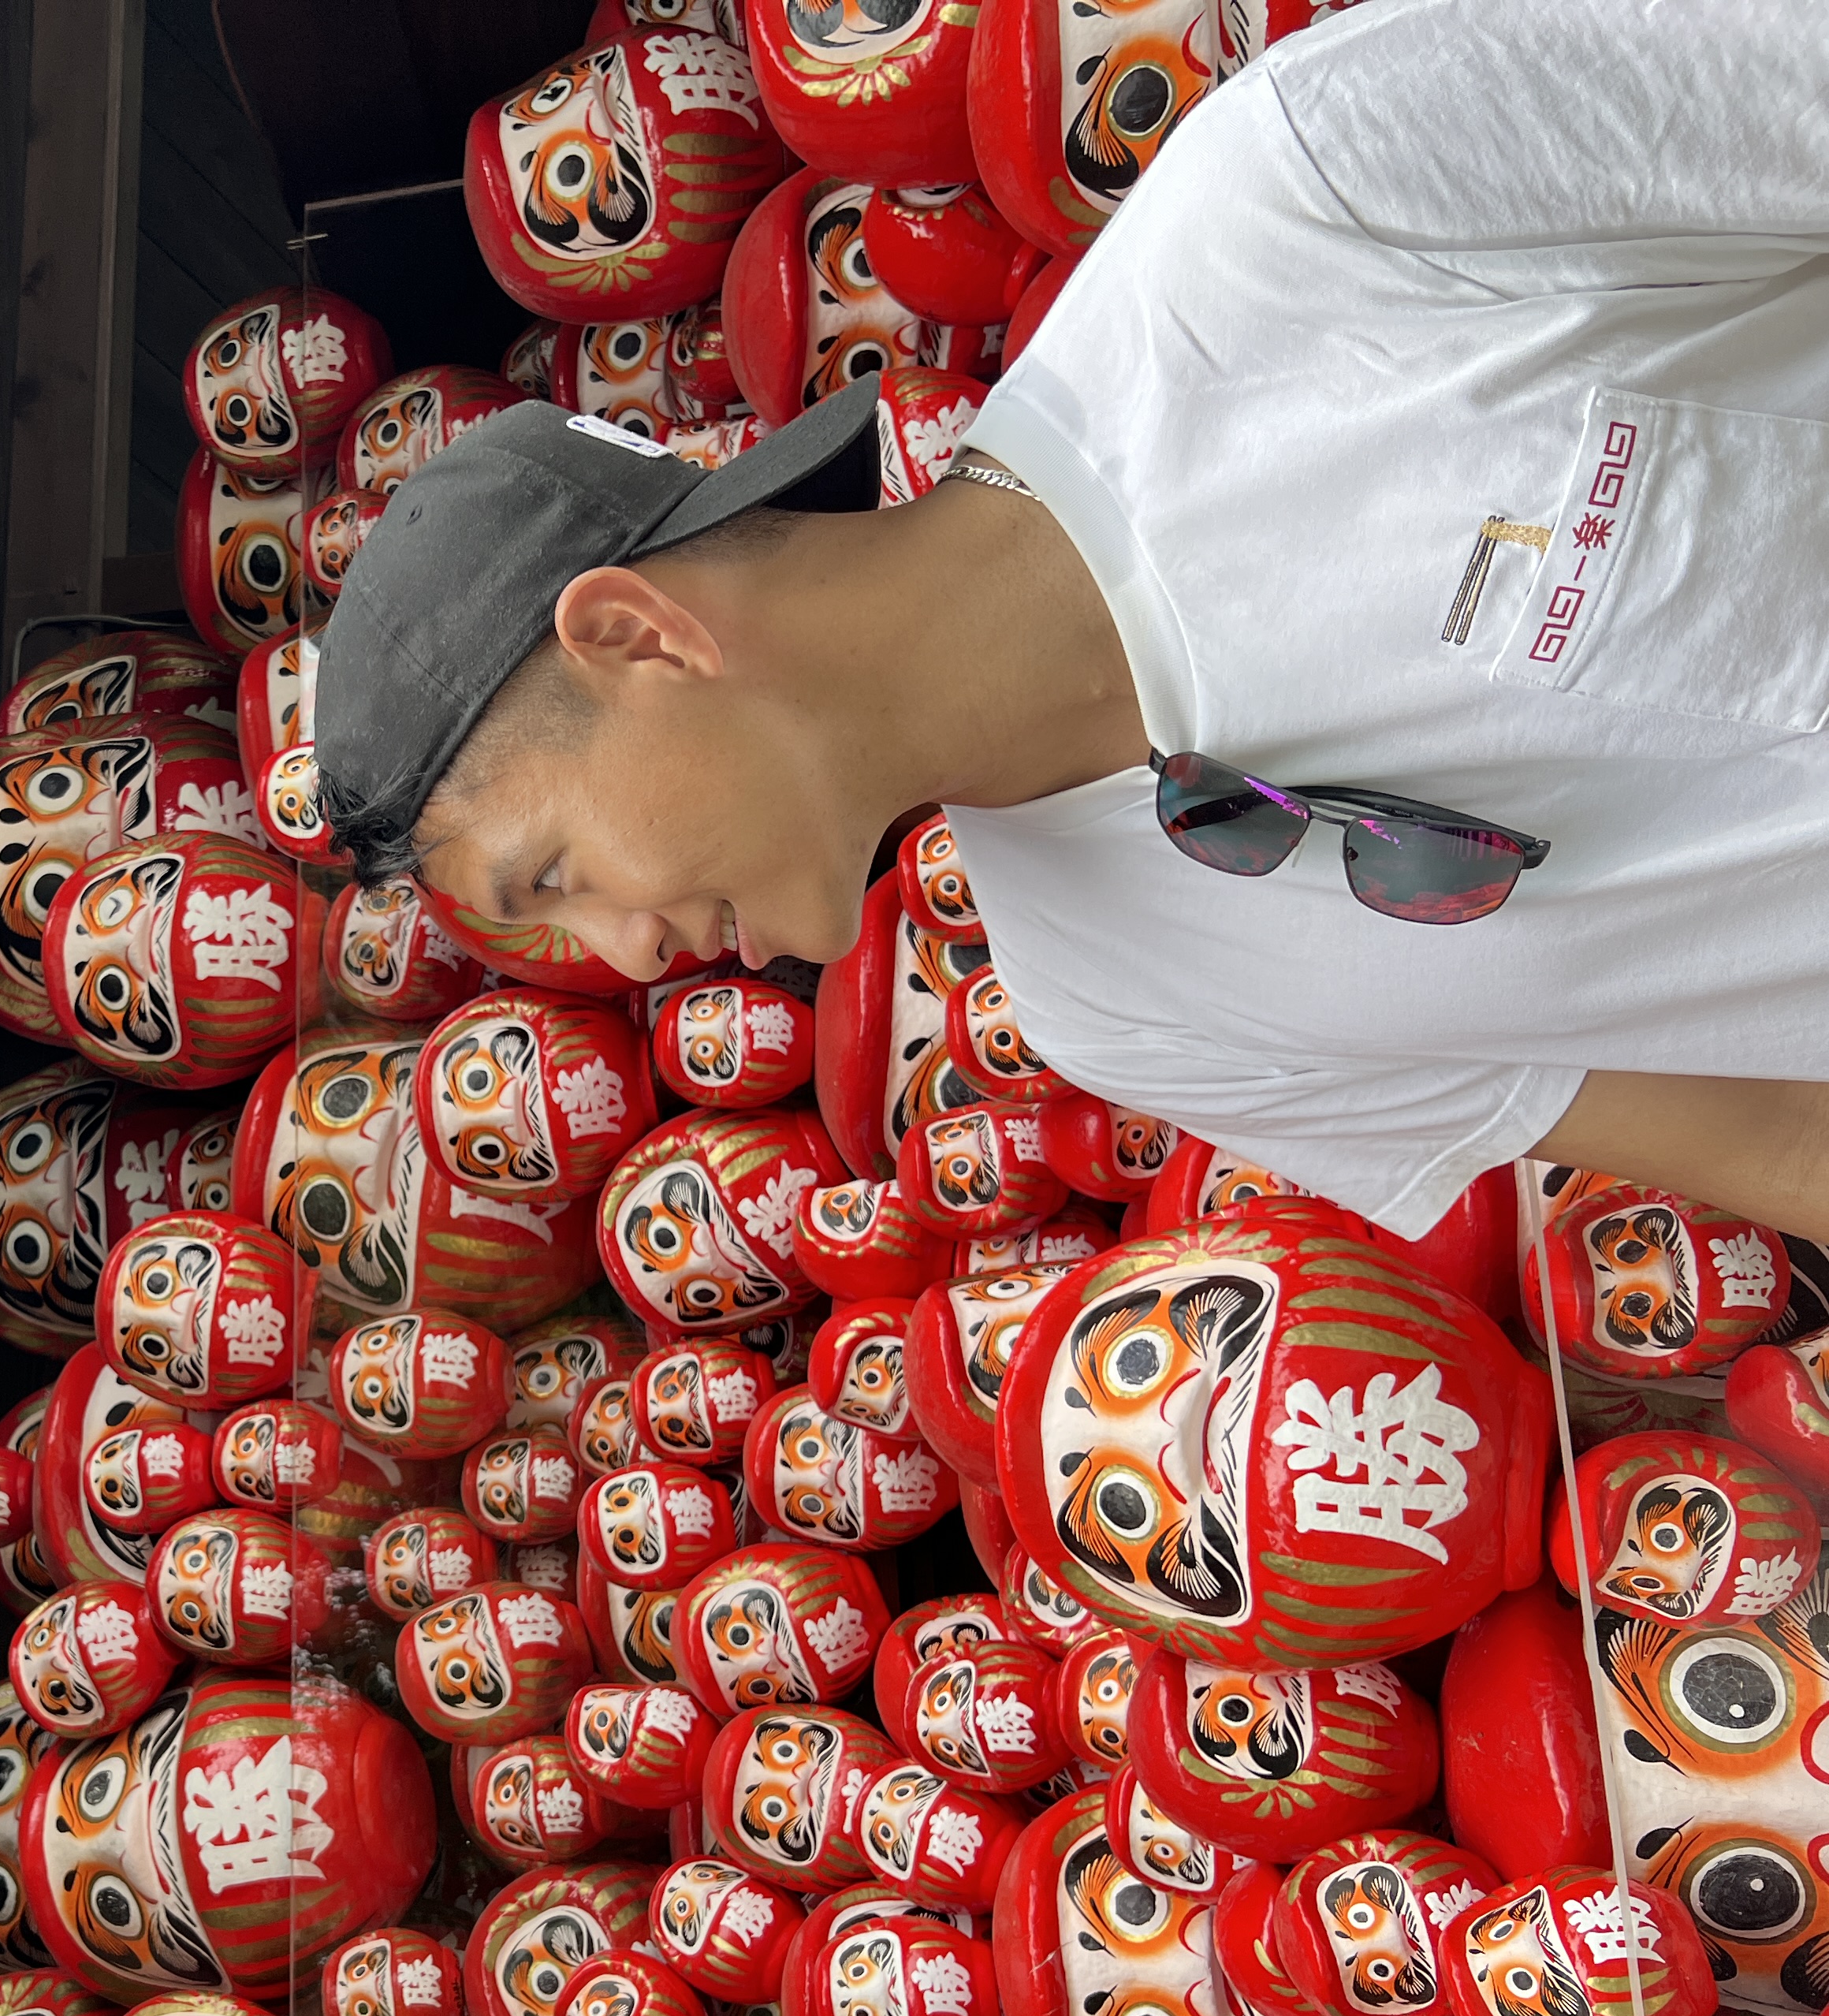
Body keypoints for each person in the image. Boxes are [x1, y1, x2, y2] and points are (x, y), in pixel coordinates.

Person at [311, 0, 1829, 1245]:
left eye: (559, 873)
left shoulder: (1299, 216)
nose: (625, 954)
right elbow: (1774, 1129)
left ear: (641, 637)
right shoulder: (1122, 1015)